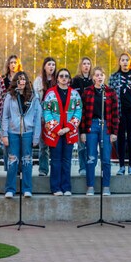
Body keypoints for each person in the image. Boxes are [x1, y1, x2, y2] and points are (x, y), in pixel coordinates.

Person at [1, 71, 41, 199]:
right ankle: (10, 189)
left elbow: (37, 117)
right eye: (19, 80)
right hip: (13, 132)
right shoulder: (10, 96)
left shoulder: (33, 97)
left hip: (28, 132)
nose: (22, 82)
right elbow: (5, 116)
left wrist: (36, 136)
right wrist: (4, 134)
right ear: (15, 82)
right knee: (12, 160)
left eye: (24, 79)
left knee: (27, 161)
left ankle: (27, 189)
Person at [79, 67, 119, 196]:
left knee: (106, 158)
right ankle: (90, 186)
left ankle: (106, 186)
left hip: (106, 125)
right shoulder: (87, 92)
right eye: (97, 75)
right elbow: (83, 113)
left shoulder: (110, 92)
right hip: (91, 125)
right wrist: (83, 131)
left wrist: (114, 132)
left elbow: (115, 114)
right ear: (93, 78)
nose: (99, 77)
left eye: (102, 75)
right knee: (91, 157)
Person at [43, 68, 82, 196]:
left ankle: (66, 187)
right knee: (55, 160)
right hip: (55, 133)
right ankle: (55, 188)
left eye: (66, 76)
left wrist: (68, 128)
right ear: (57, 78)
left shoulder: (75, 94)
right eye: (61, 76)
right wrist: (57, 128)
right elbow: (47, 112)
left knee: (66, 160)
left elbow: (78, 111)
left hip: (69, 132)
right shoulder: (50, 93)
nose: (64, 78)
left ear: (69, 79)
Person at [33, 57, 57, 177]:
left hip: (55, 116)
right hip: (42, 116)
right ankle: (43, 169)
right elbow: (36, 100)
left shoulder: (58, 80)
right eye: (49, 64)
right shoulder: (38, 81)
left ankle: (56, 170)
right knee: (43, 146)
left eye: (53, 64)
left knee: (55, 145)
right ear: (44, 66)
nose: (51, 67)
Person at [71, 57, 93, 177]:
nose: (86, 66)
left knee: (91, 144)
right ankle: (82, 167)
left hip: (91, 115)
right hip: (79, 115)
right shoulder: (75, 80)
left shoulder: (93, 80)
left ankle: (90, 167)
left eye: (88, 64)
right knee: (81, 144)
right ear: (81, 65)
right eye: (84, 63)